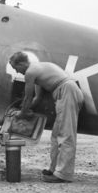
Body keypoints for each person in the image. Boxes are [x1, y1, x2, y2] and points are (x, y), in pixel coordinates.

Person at [9, 51, 84, 183]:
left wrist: (22, 114)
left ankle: (63, 175)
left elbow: (27, 97)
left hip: (67, 91)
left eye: (16, 68)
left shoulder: (30, 72)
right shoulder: (38, 70)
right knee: (56, 135)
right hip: (64, 93)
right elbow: (37, 98)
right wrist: (26, 110)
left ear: (21, 63)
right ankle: (55, 169)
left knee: (66, 134)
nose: (17, 72)